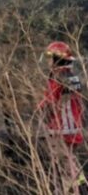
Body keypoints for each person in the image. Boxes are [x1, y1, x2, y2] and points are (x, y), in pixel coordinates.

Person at [38, 41, 86, 193]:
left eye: (51, 57)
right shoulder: (72, 76)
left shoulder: (58, 77)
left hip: (61, 128)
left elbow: (51, 101)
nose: (49, 61)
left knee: (64, 166)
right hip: (74, 127)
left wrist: (40, 111)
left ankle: (75, 191)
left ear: (58, 58)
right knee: (71, 162)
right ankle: (82, 186)